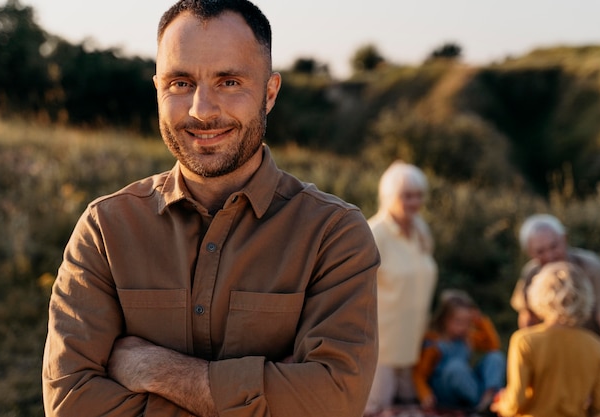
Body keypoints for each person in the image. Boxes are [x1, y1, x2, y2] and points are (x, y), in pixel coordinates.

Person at [41, 1, 381, 416]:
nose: (202, 110)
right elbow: (70, 402)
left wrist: (154, 369)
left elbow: (334, 401)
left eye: (230, 82)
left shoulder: (333, 234)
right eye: (180, 83)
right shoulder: (105, 229)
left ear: (269, 93)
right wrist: (263, 394)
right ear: (158, 90)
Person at [364, 161, 438, 416]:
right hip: (380, 344)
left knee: (407, 409)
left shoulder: (421, 230)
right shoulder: (374, 233)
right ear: (389, 196)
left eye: (419, 195)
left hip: (413, 341)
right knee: (375, 407)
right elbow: (358, 289)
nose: (414, 202)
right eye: (407, 196)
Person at [492, 261, 600, 417]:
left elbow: (515, 402)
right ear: (585, 296)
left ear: (538, 294)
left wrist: (500, 404)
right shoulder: (594, 344)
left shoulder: (525, 341)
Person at [510, 213, 600, 389]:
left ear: (564, 239)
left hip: (591, 351)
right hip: (554, 355)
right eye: (540, 251)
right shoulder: (531, 273)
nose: (550, 256)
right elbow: (527, 320)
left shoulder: (592, 268)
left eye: (554, 246)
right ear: (529, 252)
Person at [412, 289, 505, 413]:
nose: (463, 327)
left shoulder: (468, 338)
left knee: (496, 357)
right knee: (456, 368)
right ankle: (482, 406)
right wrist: (425, 394)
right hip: (445, 390)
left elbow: (493, 346)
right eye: (458, 322)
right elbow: (419, 374)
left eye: (467, 322)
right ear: (445, 319)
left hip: (467, 387)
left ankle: (489, 398)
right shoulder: (434, 341)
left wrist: (480, 321)